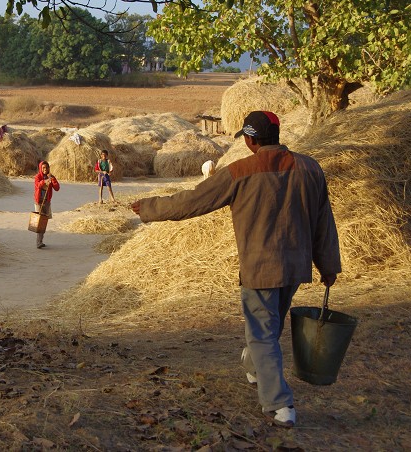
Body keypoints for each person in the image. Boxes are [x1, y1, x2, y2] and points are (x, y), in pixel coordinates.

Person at [130, 110, 341, 428]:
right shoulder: (310, 168)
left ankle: (280, 405)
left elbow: (192, 201)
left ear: (250, 140)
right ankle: (253, 365)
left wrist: (149, 207)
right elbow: (324, 219)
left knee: (262, 333)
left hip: (260, 268)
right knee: (268, 330)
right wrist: (328, 265)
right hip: (296, 267)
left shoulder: (240, 172)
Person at [33, 161, 60, 249]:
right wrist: (44, 181)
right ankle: (38, 242)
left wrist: (52, 179)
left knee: (44, 221)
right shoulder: (38, 177)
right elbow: (38, 185)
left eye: (46, 168)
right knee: (39, 221)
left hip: (47, 202)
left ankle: (40, 241)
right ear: (41, 168)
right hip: (39, 202)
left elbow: (57, 188)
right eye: (43, 168)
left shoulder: (51, 177)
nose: (45, 169)